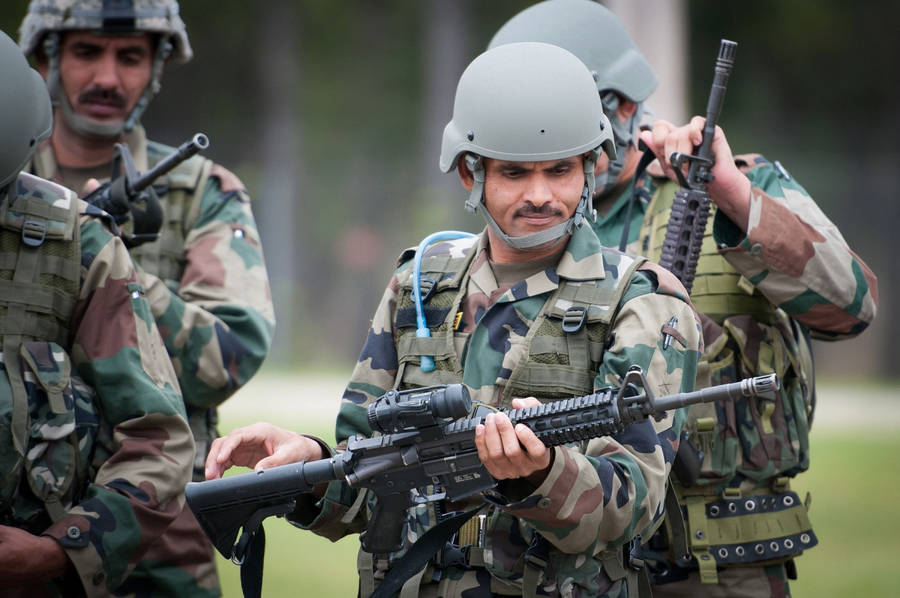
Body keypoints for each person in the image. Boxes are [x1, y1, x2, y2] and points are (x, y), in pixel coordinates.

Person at [206, 41, 702, 597]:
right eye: (514, 173)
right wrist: (309, 466)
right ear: (471, 174)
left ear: (589, 169)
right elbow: (368, 477)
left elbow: (632, 506)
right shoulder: (420, 283)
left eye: (560, 170)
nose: (540, 195)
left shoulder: (641, 301)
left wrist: (541, 474)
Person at [488, 1, 879, 596]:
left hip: (717, 565)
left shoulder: (727, 190)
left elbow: (852, 306)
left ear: (625, 104)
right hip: (574, 564)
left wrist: (730, 192)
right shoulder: (530, 227)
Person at [17, 1, 277, 595]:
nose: (108, 78)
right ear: (42, 59)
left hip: (157, 535)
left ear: (156, 68)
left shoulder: (200, 192)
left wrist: (109, 257)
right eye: (86, 52)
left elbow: (225, 360)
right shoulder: (8, 181)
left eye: (130, 57)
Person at [0, 28, 194, 597]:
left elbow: (159, 436)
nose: (108, 77)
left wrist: (60, 551)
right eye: (86, 53)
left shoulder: (77, 243)